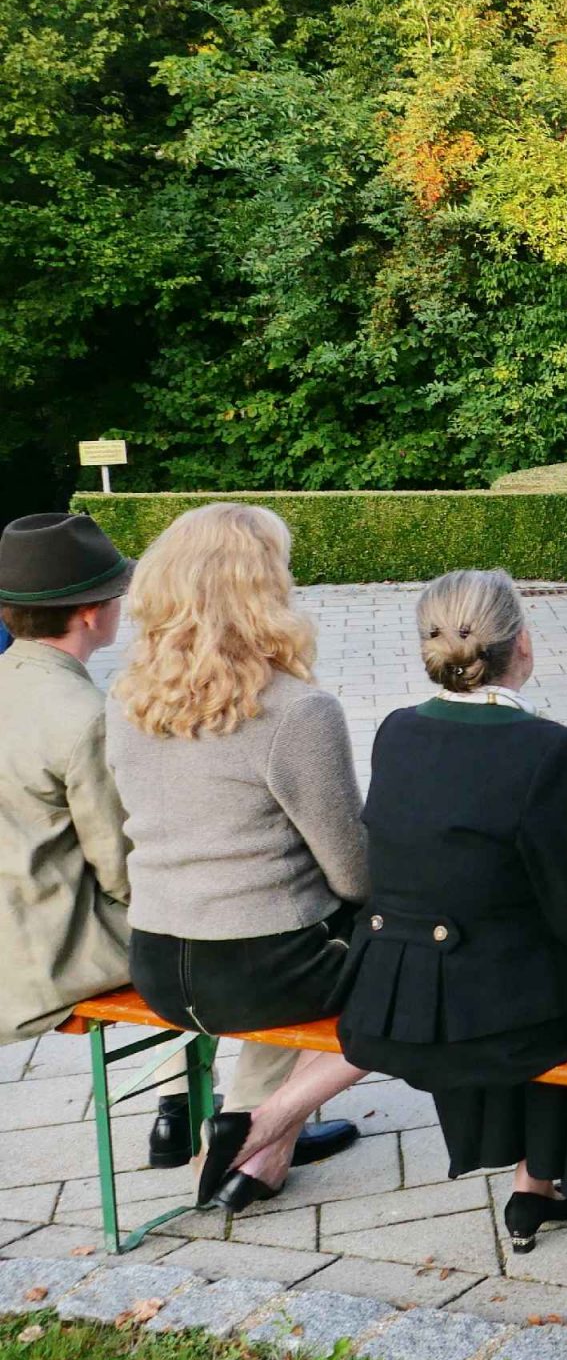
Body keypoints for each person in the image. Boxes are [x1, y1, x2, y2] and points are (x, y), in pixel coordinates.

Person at [335, 571, 567, 1261]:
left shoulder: (396, 731)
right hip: (490, 1019)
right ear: (523, 645)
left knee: (530, 960)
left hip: (395, 998)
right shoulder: (553, 749)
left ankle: (535, 1179)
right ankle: (566, 1183)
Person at [105, 503, 366, 1210]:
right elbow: (352, 873)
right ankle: (266, 1121)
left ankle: (258, 1161)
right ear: (265, 590)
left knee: (303, 935)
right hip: (264, 972)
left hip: (158, 959)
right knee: (416, 970)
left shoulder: (125, 704)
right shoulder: (299, 710)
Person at [0, 513, 137, 1046]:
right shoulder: (85, 716)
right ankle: (254, 1102)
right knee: (244, 937)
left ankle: (183, 1092)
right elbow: (124, 870)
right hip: (50, 960)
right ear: (90, 613)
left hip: (17, 936)